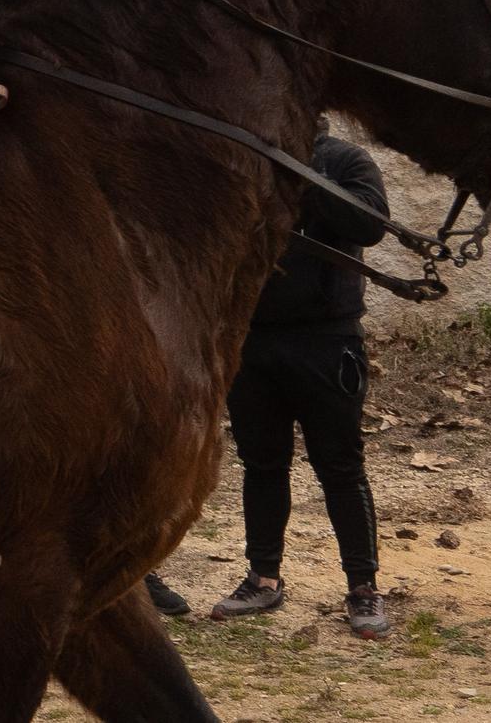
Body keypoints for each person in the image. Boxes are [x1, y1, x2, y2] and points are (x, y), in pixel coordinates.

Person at [208, 119, 392, 638]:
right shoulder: (241, 156)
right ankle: (263, 579)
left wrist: (300, 174)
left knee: (340, 466)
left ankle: (363, 587)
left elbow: (371, 225)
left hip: (327, 340)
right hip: (253, 338)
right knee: (262, 464)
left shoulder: (344, 161)